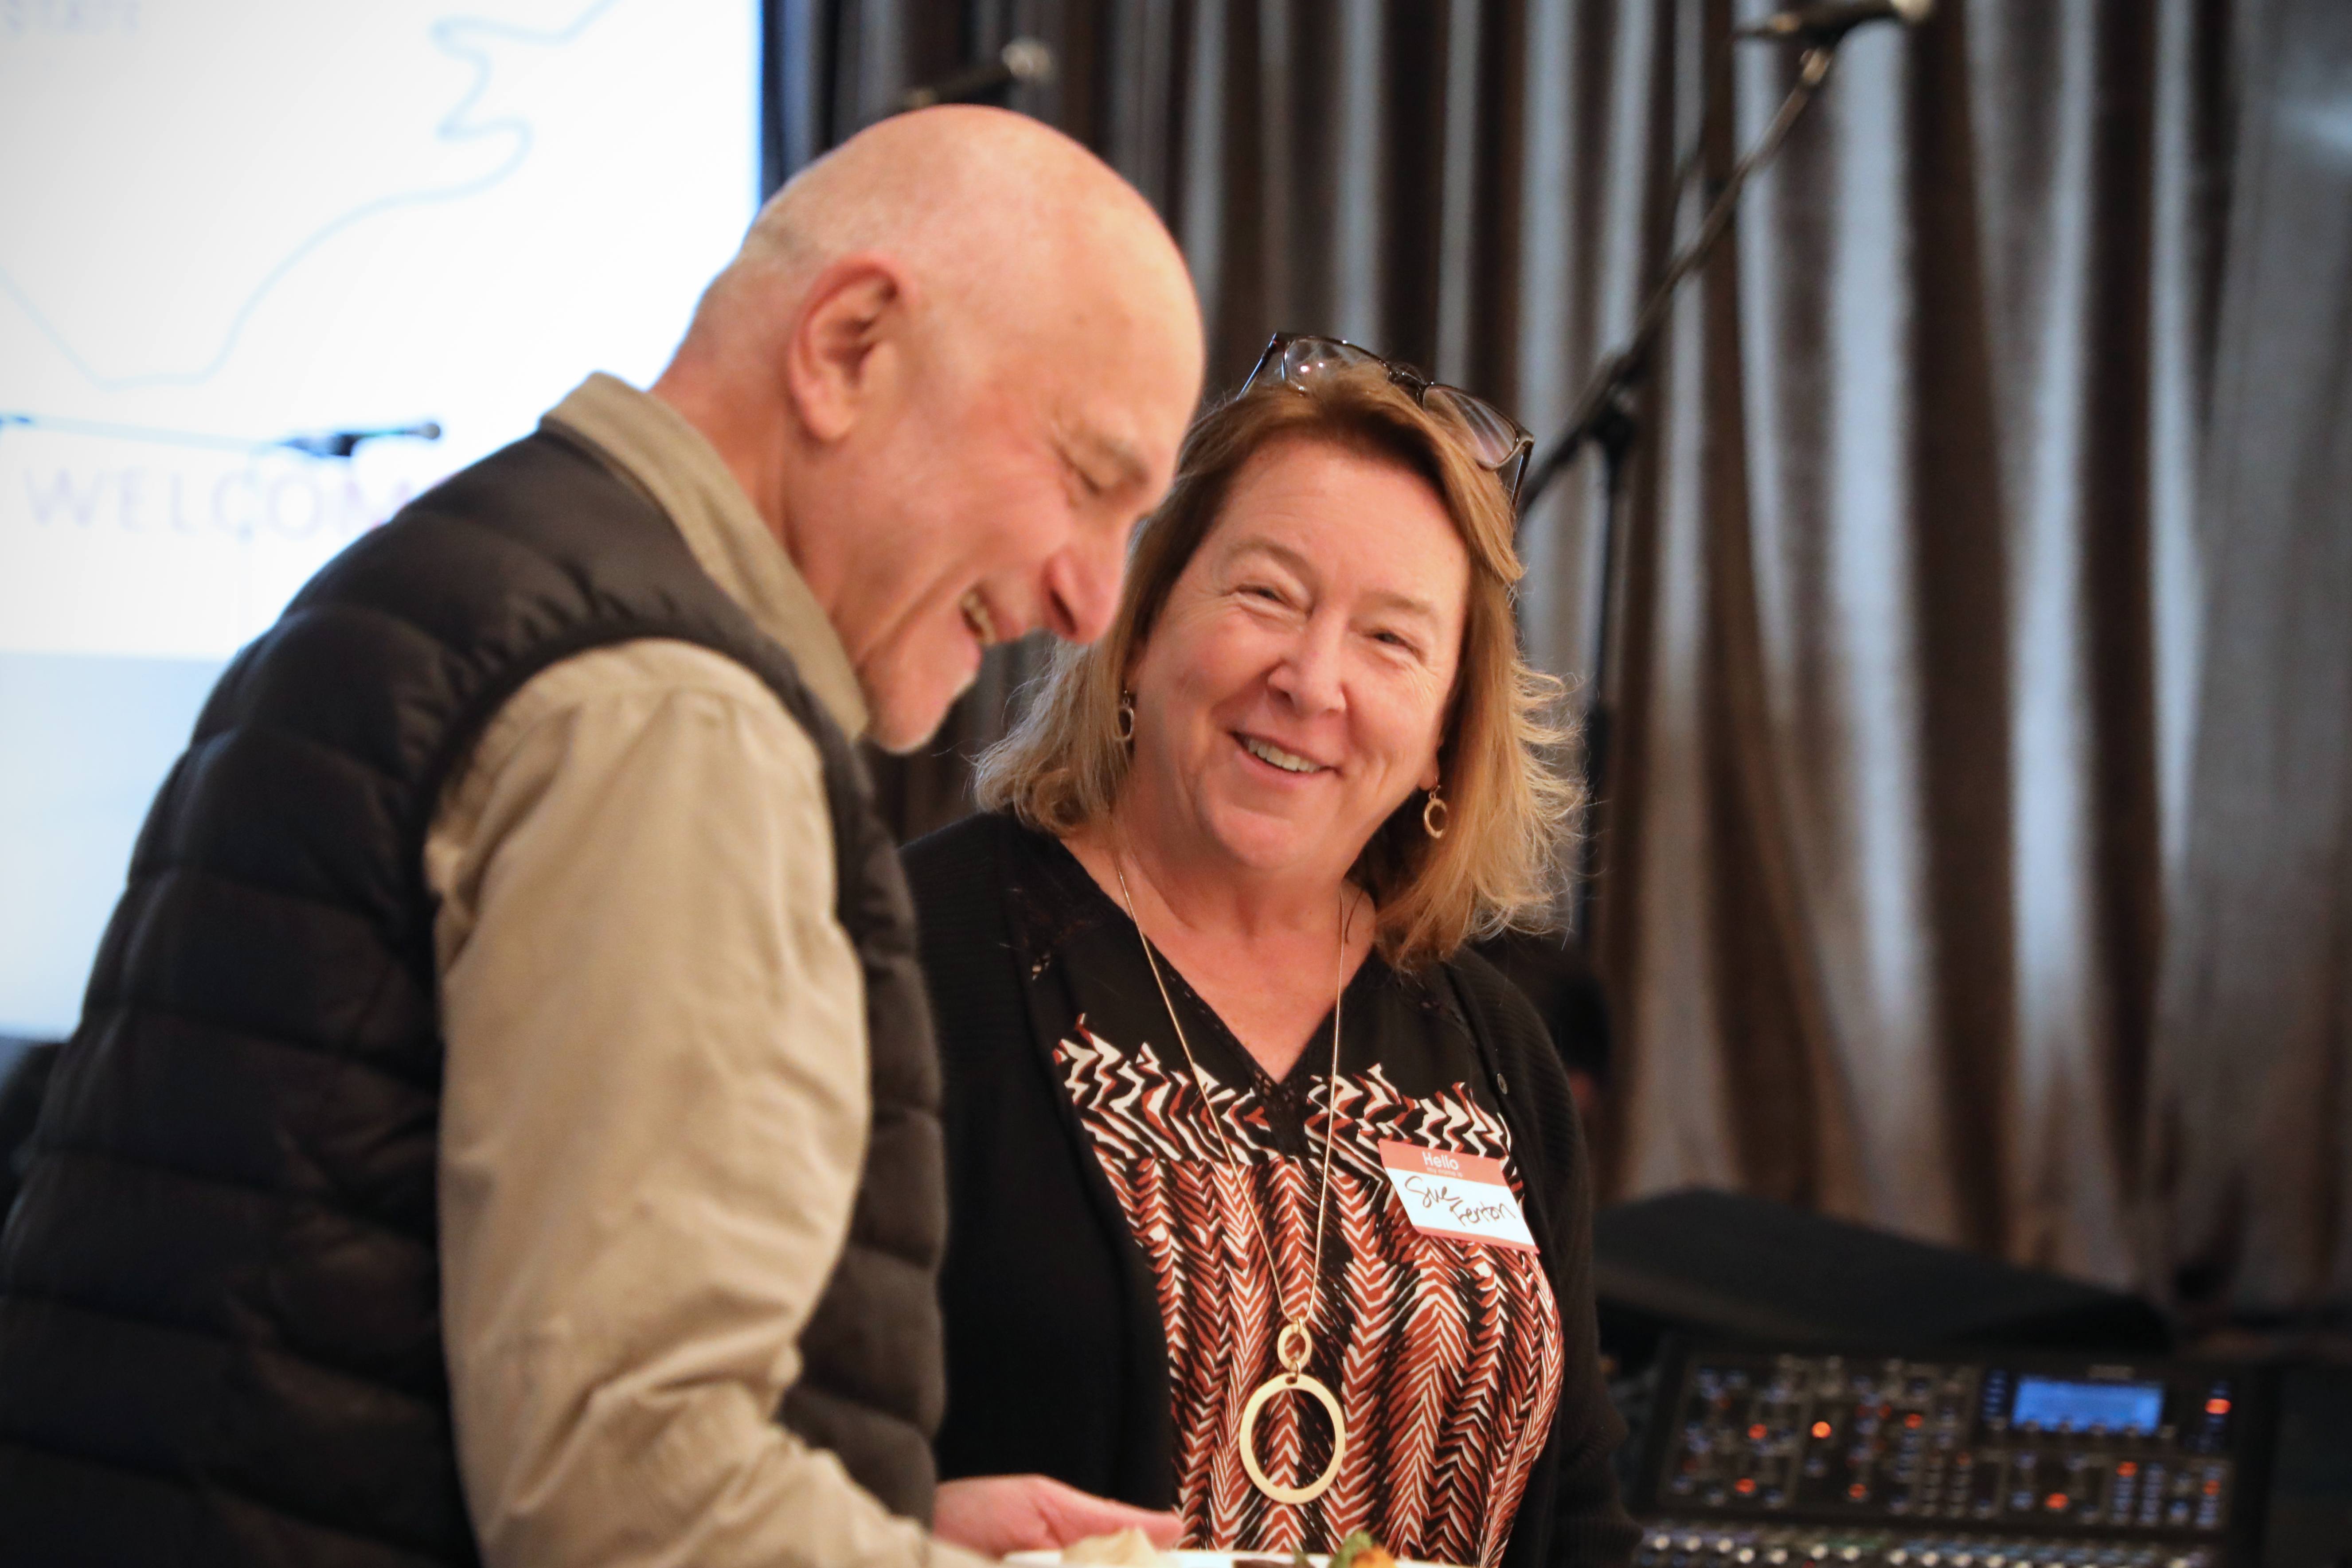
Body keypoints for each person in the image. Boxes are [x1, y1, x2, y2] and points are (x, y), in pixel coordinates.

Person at [0, 107, 1203, 1568]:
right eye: (1086, 479)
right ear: (847, 350)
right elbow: (631, 1509)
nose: (1091, 601)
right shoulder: (670, 714)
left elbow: (363, 1367)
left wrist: (888, 1520)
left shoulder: (453, 581)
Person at [905, 337, 1643, 1568]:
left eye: (1392, 641)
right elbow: (731, 1442)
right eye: (1268, 596)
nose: (1311, 681)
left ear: (1449, 728)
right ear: (1145, 626)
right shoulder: (909, 956)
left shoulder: (1496, 1044)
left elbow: (1576, 1519)